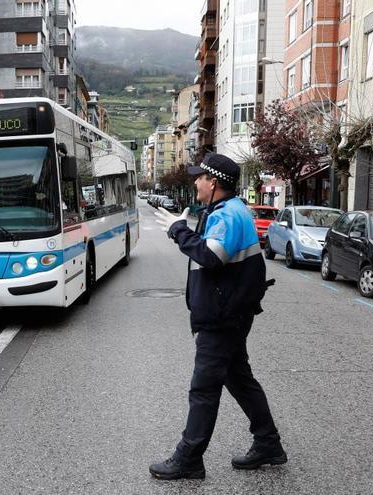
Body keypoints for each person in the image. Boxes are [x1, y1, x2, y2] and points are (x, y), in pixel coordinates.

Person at [150, 153, 285, 480]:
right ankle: (268, 442)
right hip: (231, 313)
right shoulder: (228, 211)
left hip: (223, 317)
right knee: (238, 378)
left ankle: (188, 458)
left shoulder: (227, 216)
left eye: (200, 177)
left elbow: (211, 257)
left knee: (204, 388)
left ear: (214, 183)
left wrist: (178, 231)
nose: (195, 182)